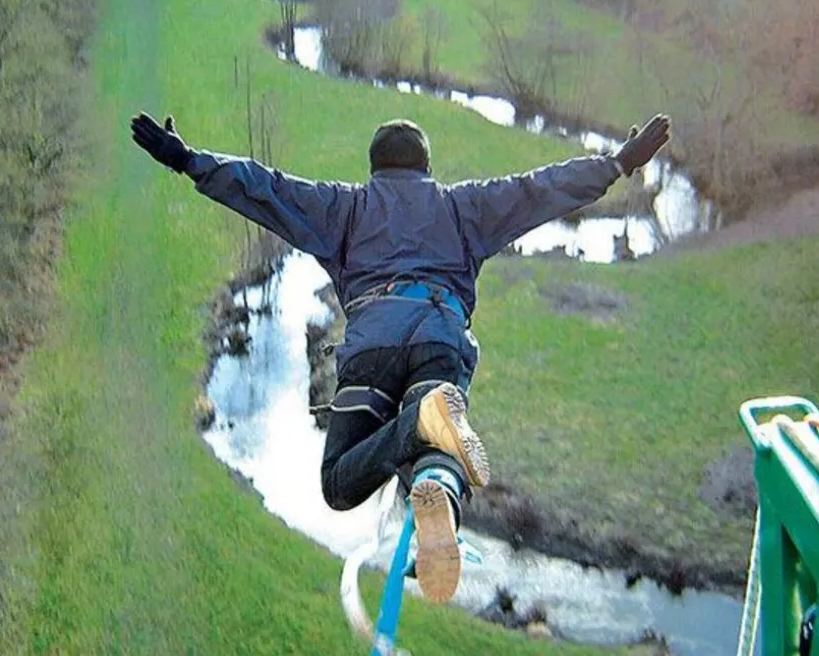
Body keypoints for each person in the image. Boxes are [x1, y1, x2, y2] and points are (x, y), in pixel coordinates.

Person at [132, 109, 671, 603]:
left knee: (340, 484)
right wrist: (617, 163)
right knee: (440, 443)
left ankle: (418, 433)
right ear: (426, 170)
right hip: (438, 338)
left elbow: (266, 188)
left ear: (374, 171)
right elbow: (538, 190)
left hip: (371, 348)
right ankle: (432, 471)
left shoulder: (344, 208)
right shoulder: (461, 207)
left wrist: (188, 160)